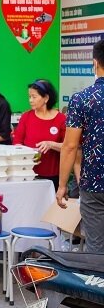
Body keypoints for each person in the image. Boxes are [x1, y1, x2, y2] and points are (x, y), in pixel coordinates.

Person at [57, 39, 104, 253]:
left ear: (95, 63)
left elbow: (69, 146)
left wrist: (62, 186)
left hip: (94, 183)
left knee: (96, 246)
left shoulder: (82, 100)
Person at [13, 80, 66, 189]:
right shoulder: (26, 117)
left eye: (34, 97)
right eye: (29, 97)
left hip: (52, 176)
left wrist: (51, 144)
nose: (30, 100)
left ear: (46, 98)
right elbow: (16, 143)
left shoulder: (61, 119)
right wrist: (28, 153)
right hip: (27, 174)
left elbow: (69, 147)